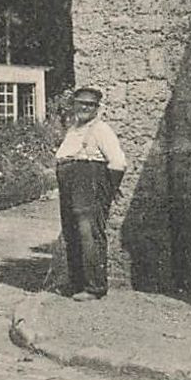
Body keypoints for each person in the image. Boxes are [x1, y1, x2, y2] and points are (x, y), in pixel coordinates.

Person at [54, 86, 128, 301]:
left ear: (97, 108)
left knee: (89, 234)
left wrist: (108, 191)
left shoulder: (101, 130)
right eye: (81, 103)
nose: (85, 107)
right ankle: (76, 283)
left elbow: (118, 163)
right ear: (74, 104)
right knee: (72, 233)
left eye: (90, 104)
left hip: (89, 184)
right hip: (70, 184)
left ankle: (94, 287)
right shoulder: (74, 129)